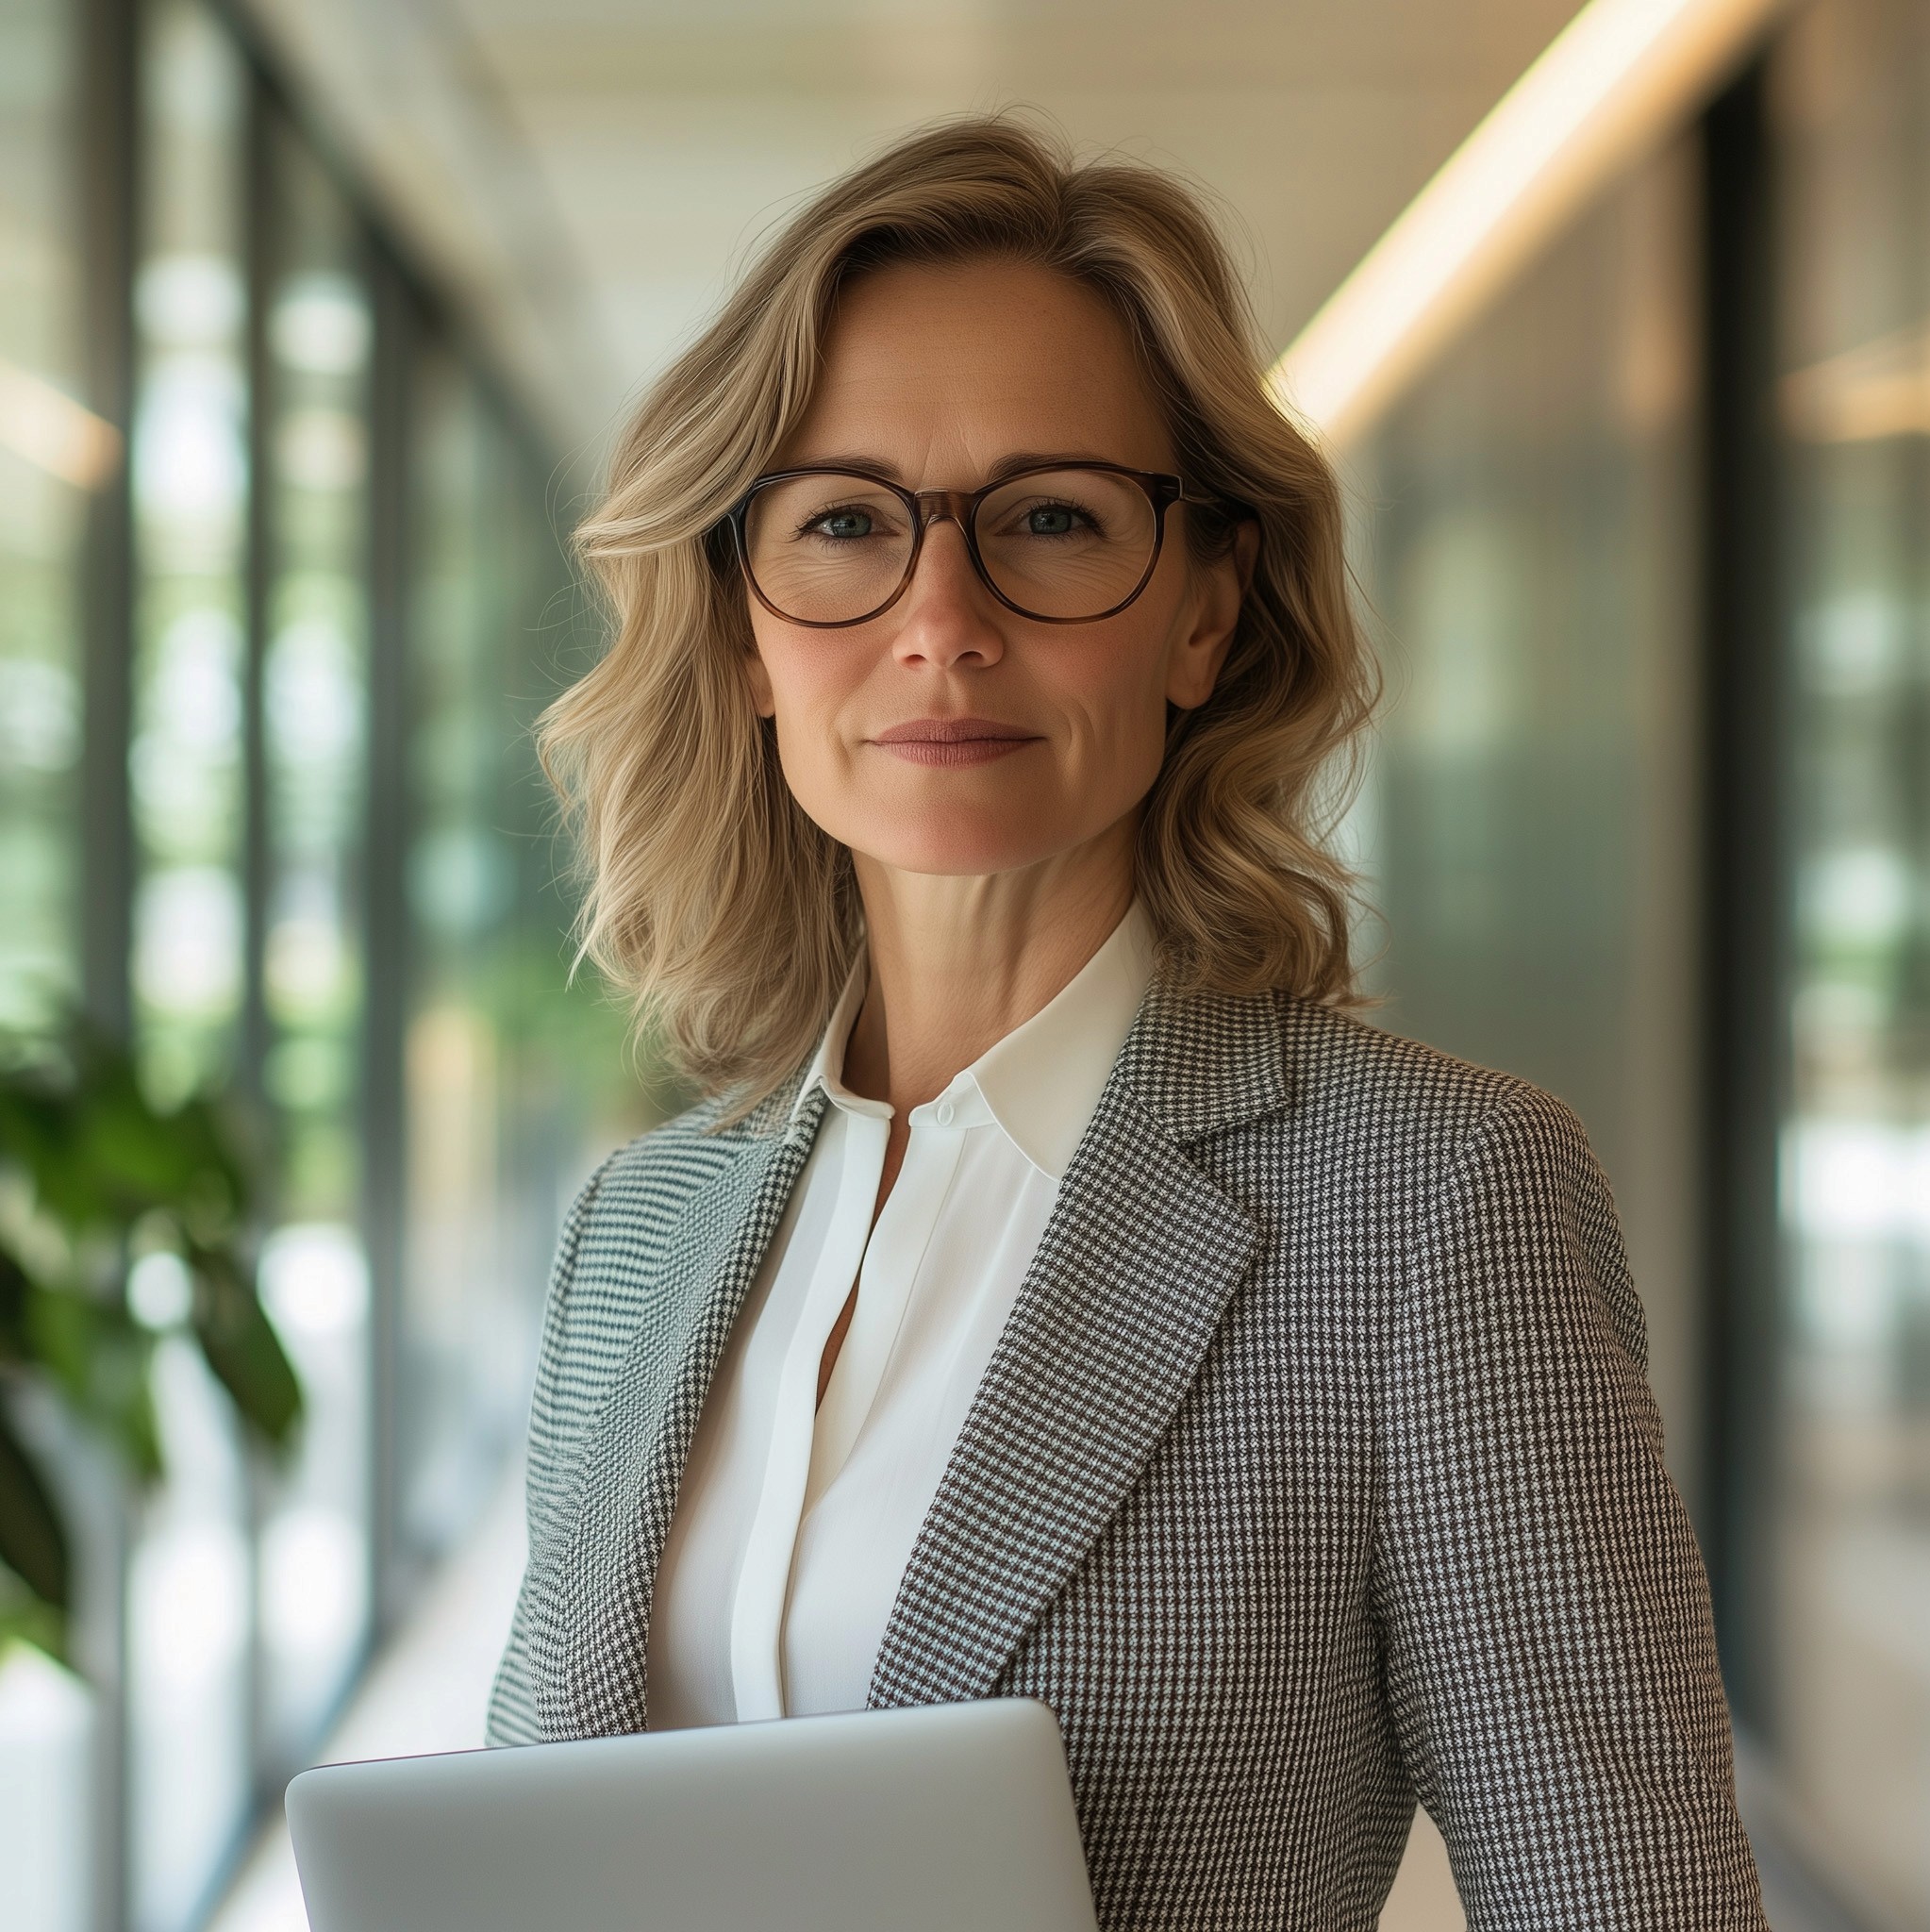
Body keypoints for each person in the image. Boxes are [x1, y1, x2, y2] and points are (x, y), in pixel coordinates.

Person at [489, 116, 1767, 1930]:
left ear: (1204, 612)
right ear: (744, 631)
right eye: (847, 522)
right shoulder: (636, 1235)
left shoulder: (1435, 1208)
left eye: (1053, 522)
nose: (943, 621)